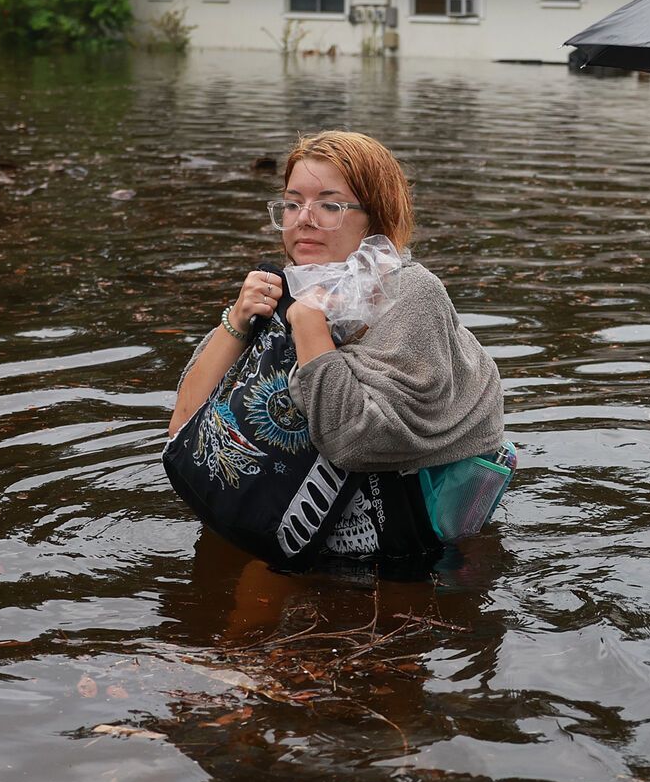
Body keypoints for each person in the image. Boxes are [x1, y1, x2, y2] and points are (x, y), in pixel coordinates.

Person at [168, 129, 505, 562]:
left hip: (407, 546)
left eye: (330, 205)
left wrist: (310, 328)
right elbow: (183, 429)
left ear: (375, 217)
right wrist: (235, 321)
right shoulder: (281, 289)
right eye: (292, 203)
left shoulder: (411, 294)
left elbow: (358, 443)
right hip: (290, 525)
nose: (303, 218)